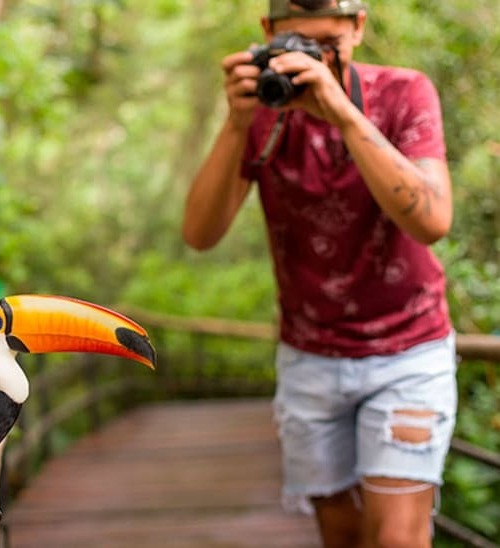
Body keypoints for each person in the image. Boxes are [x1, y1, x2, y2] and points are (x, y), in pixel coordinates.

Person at [182, 1, 457, 546]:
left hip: (408, 350)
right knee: (342, 536)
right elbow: (200, 233)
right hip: (311, 357)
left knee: (399, 539)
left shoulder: (404, 93)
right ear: (266, 36)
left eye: (328, 45)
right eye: (297, 45)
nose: (314, 62)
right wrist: (237, 124)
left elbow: (432, 221)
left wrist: (345, 115)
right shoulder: (261, 109)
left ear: (358, 28)